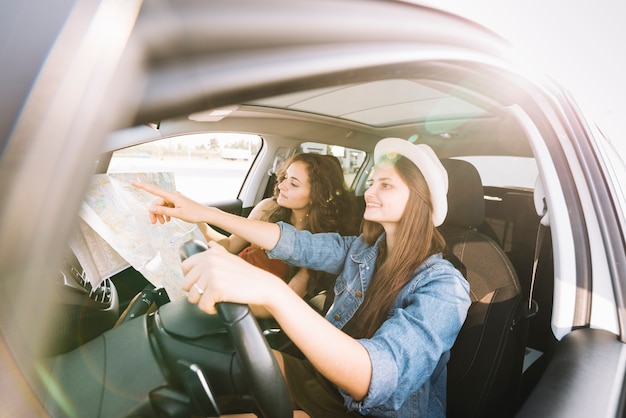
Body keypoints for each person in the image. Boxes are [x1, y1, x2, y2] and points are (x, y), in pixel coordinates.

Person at [134, 137, 471, 417]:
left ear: (419, 200)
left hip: (369, 411)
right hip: (323, 380)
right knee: (196, 364)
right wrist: (200, 212)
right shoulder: (363, 251)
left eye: (385, 185)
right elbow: (292, 242)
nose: (369, 192)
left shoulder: (444, 288)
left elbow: (374, 377)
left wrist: (272, 292)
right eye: (371, 182)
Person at [198, 152, 358, 310]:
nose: (281, 185)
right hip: (226, 279)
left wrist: (226, 300)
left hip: (248, 305)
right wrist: (199, 223)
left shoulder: (318, 245)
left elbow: (284, 303)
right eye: (285, 177)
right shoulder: (267, 208)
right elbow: (229, 245)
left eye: (294, 184)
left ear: (318, 195)